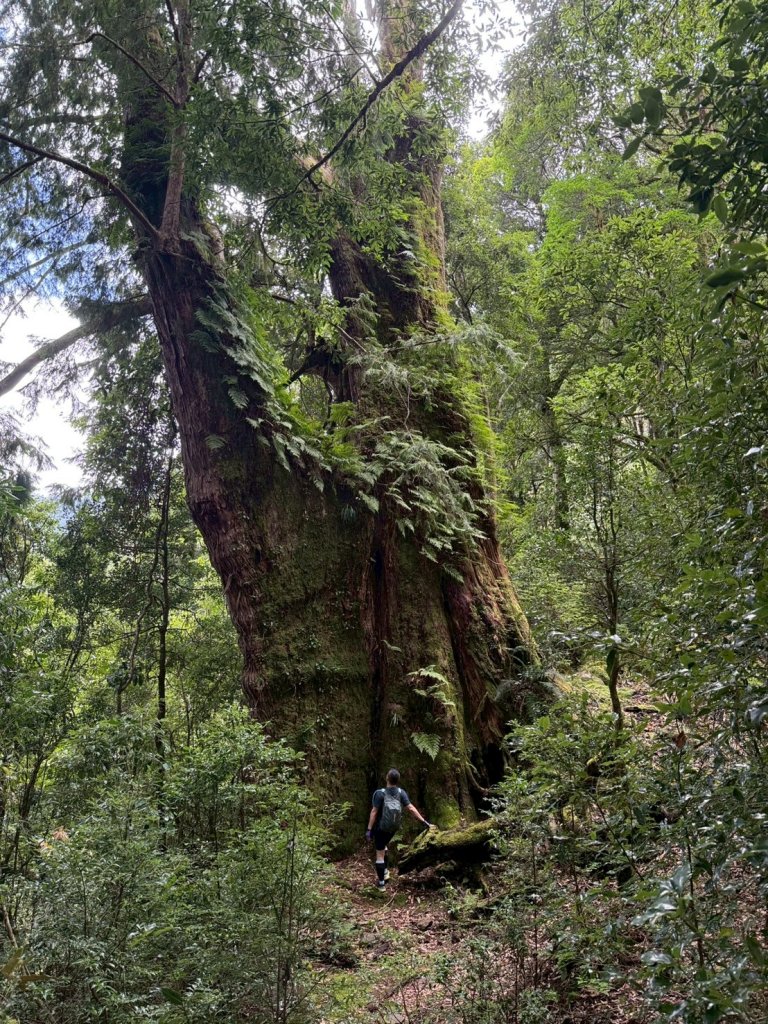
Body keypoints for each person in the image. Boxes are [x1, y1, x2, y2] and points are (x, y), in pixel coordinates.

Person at [366, 768, 432, 890]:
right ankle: (385, 872)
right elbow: (411, 808)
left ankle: (381, 885)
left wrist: (369, 830)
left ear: (387, 778)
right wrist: (424, 822)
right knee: (384, 846)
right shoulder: (401, 793)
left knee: (379, 854)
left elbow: (374, 812)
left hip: (381, 828)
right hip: (393, 828)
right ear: (398, 780)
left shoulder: (380, 793)